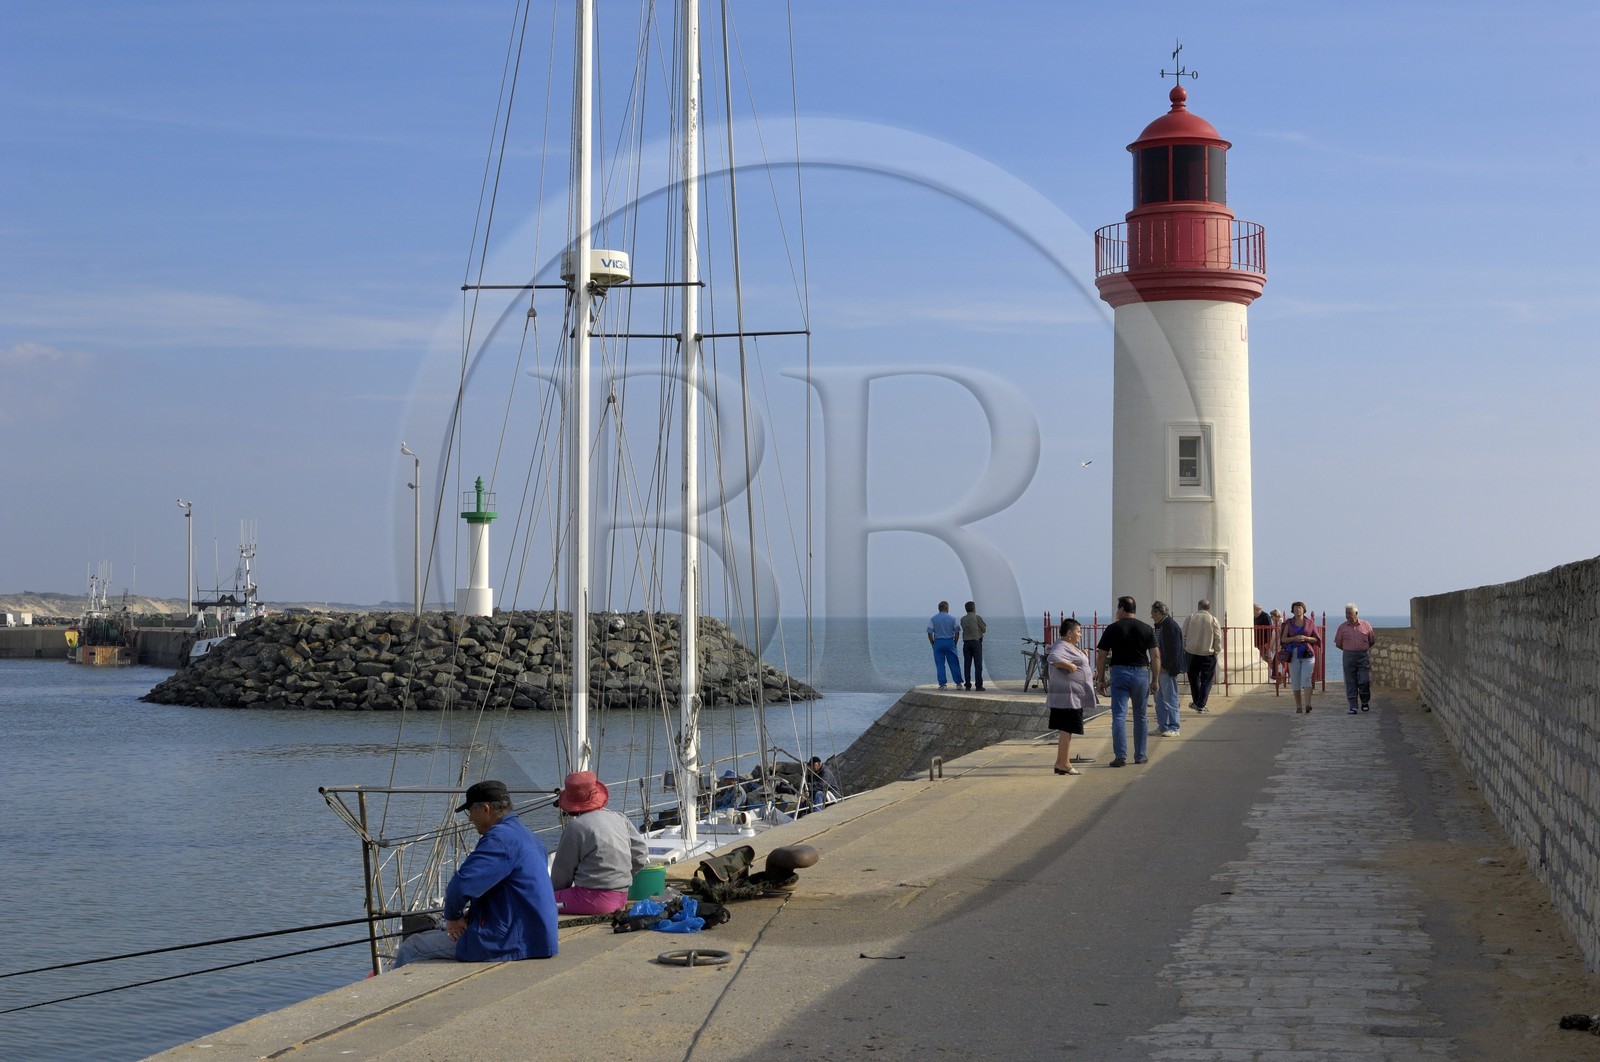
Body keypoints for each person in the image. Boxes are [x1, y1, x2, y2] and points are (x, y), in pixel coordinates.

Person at [391, 780, 558, 968]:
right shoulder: (529, 835)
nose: (470, 818)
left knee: (412, 946)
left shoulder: (500, 838)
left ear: (486, 809)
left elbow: (461, 885)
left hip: (510, 941)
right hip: (536, 937)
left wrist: (453, 918)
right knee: (429, 936)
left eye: (470, 811)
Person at [549, 770, 649, 915]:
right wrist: (620, 878)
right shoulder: (620, 818)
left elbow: (562, 874)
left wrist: (554, 893)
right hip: (621, 896)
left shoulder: (576, 827)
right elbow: (641, 854)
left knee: (536, 901)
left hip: (592, 900)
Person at [1094, 596, 1159, 768]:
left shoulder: (1112, 629)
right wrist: (1155, 679)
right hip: (1141, 674)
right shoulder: (1146, 628)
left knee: (1119, 716)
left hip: (1119, 673)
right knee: (1140, 716)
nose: (1117, 611)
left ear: (1122, 609)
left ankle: (1120, 756)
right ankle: (1140, 756)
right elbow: (1155, 656)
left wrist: (1100, 679)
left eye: (1118, 608)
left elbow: (1101, 655)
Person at [1045, 618, 1096, 775]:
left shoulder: (1069, 646)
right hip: (1068, 698)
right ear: (1069, 633)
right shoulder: (1061, 645)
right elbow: (1053, 658)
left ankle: (1060, 762)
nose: (1080, 634)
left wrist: (1081, 655)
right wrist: (1070, 666)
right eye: (1078, 632)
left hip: (1071, 697)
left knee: (1066, 730)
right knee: (1067, 729)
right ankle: (1065, 764)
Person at [1150, 602, 1186, 736]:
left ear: (1158, 612)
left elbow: (1175, 649)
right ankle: (1163, 726)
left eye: (1153, 613)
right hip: (1158, 667)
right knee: (1159, 699)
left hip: (1166, 669)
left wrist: (1165, 665)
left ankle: (1174, 727)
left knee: (1170, 698)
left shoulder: (1170, 626)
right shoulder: (1160, 626)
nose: (1151, 616)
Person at [1334, 603, 1376, 715]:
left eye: (1350, 613)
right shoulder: (1342, 627)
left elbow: (1372, 640)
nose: (1347, 615)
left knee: (1364, 680)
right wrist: (1349, 649)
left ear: (1356, 613)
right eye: (1346, 613)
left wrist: (1362, 648)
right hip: (1348, 656)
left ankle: (1365, 702)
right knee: (1350, 681)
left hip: (1363, 656)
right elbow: (1338, 643)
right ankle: (1353, 706)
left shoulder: (1366, 625)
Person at [1279, 602, 1321, 714]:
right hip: (1293, 653)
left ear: (1304, 610)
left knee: (1306, 678)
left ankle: (1308, 704)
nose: (1298, 610)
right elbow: (1283, 639)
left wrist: (1306, 638)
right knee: (1295, 680)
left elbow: (1316, 639)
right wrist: (1294, 638)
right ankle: (1298, 706)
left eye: (1300, 608)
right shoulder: (1288, 623)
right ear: (1292, 610)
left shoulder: (1310, 623)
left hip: (1307, 653)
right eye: (1296, 608)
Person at [1183, 598, 1223, 714]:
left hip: (1191, 653)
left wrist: (1185, 647)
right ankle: (1201, 704)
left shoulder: (1190, 618)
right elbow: (1217, 638)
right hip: (1208, 654)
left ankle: (1197, 702)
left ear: (1198, 607)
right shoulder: (1213, 620)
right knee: (1206, 681)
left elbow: (1183, 634)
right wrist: (1216, 651)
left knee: (1193, 679)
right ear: (1209, 608)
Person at [926, 600, 962, 690]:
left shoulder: (933, 619)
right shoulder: (952, 618)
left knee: (940, 664)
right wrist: (955, 642)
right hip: (949, 642)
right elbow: (957, 631)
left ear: (939, 608)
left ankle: (943, 684)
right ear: (946, 608)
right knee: (954, 663)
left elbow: (929, 632)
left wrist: (932, 642)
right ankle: (958, 683)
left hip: (938, 642)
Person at [959, 600, 987, 691]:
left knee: (967, 665)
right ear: (974, 608)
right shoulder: (977, 618)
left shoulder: (963, 619)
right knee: (978, 665)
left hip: (966, 642)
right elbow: (984, 629)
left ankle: (967, 685)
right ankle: (978, 685)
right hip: (976, 642)